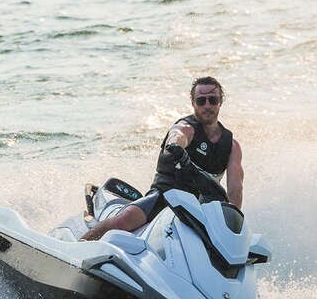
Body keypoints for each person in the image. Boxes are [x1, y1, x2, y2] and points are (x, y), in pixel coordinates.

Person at [81, 76, 243, 241]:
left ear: (220, 102)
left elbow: (235, 191)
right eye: (201, 101)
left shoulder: (232, 146)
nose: (207, 105)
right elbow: (178, 134)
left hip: (201, 208)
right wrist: (175, 146)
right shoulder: (186, 128)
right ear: (193, 103)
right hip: (165, 196)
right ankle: (82, 244)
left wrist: (232, 229)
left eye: (212, 100)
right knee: (124, 220)